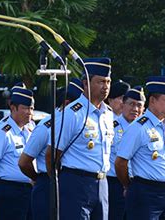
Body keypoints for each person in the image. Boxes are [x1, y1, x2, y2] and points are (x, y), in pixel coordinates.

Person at [46, 57, 114, 220]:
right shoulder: (72, 113)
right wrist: (58, 183)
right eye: (100, 82)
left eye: (108, 82)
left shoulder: (108, 114)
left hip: (102, 183)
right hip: (76, 182)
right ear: (86, 83)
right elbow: (52, 155)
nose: (105, 87)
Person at [115, 76, 165, 220]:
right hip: (145, 192)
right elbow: (120, 162)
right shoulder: (139, 127)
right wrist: (128, 186)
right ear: (153, 101)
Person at [0, 87, 34, 220]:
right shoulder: (3, 131)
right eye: (26, 108)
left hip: (29, 191)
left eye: (32, 109)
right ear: (13, 108)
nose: (30, 112)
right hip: (10, 191)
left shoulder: (30, 129)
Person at [108, 86, 145, 220]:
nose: (135, 109)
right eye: (131, 104)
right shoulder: (111, 127)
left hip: (138, 185)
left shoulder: (146, 130)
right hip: (114, 184)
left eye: (139, 105)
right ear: (123, 105)